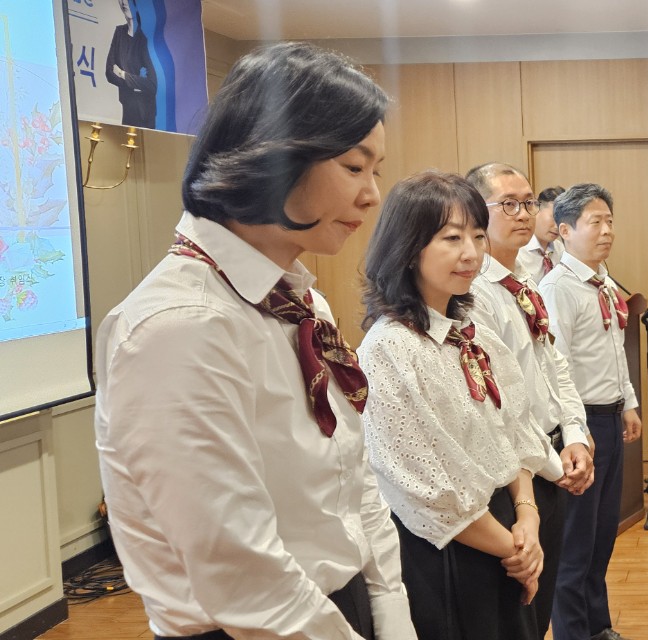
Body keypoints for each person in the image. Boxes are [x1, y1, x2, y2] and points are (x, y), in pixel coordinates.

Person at [94, 42, 414, 639]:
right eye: (354, 167)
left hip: (337, 610)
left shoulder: (298, 300)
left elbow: (352, 477)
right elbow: (241, 574)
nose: (372, 196)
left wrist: (390, 608)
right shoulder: (179, 325)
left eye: (376, 172)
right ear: (274, 155)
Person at [358, 171, 552, 639]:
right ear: (408, 247)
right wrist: (515, 549)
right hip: (447, 549)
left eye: (477, 235)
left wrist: (528, 515)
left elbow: (515, 432)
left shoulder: (475, 335)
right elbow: (424, 489)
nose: (471, 252)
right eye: (451, 237)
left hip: (504, 532)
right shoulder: (389, 348)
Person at [464, 162, 596, 633]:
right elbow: (502, 405)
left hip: (547, 457)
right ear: (474, 212)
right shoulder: (472, 291)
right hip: (513, 471)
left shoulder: (524, 276)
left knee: (540, 611)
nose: (524, 214)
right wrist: (557, 464)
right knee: (517, 609)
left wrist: (576, 435)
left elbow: (552, 364)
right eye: (510, 204)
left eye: (529, 202)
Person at [538, 183, 642, 640]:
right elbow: (555, 366)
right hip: (581, 427)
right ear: (564, 230)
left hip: (610, 416)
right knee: (575, 546)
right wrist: (573, 429)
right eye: (595, 222)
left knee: (603, 538)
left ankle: (599, 627)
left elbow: (614, 349)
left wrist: (630, 404)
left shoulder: (602, 282)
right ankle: (574, 634)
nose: (606, 231)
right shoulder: (557, 288)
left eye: (610, 221)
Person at [106, 0, 157, 128]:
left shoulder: (145, 37)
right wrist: (137, 82)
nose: (124, 2)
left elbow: (152, 84)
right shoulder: (119, 32)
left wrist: (123, 74)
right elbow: (109, 73)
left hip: (144, 111)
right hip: (127, 107)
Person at [516, 185, 566, 278]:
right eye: (554, 218)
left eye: (562, 222)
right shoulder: (518, 249)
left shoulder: (561, 250)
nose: (557, 227)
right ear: (536, 210)